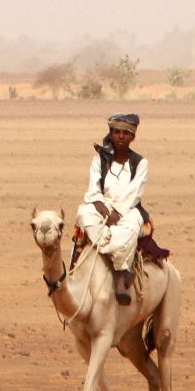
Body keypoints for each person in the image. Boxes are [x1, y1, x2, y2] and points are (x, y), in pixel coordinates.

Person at [75, 112, 151, 305]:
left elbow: (135, 192)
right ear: (110, 133)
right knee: (83, 213)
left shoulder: (140, 163)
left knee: (130, 228)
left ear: (133, 136)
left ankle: (120, 272)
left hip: (128, 209)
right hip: (102, 207)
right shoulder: (99, 160)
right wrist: (101, 207)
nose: (120, 137)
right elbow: (94, 188)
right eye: (116, 132)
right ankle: (108, 242)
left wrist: (117, 213)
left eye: (125, 133)